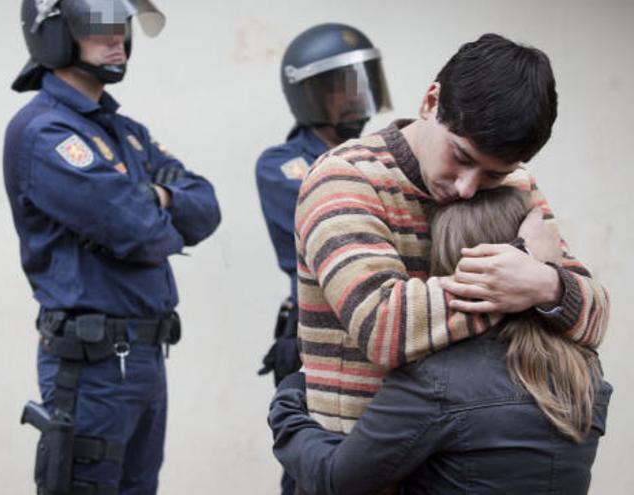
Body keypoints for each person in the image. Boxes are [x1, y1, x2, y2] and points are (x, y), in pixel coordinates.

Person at [290, 32, 608, 458]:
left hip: (464, 470)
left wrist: (548, 288)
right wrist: (520, 270)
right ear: (430, 101)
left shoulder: (519, 184)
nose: (466, 188)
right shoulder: (345, 178)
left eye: (493, 175)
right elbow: (383, 327)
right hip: (357, 468)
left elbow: (594, 315)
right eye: (461, 157)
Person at [3, 1, 221, 494]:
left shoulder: (126, 132)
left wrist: (156, 196)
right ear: (55, 34)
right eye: (99, 26)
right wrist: (160, 208)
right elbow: (140, 230)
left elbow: (205, 206)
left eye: (121, 25)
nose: (118, 37)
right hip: (93, 365)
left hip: (142, 357)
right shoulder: (45, 130)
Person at [269, 186, 612, 494]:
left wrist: (288, 400)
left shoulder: (435, 384)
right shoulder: (585, 374)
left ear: (449, 263)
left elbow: (336, 479)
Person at [254, 23, 391, 495]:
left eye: (360, 81)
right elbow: (345, 219)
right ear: (308, 94)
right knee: (312, 471)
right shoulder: (284, 164)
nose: (355, 97)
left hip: (377, 340)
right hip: (317, 345)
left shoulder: (380, 158)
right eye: (338, 87)